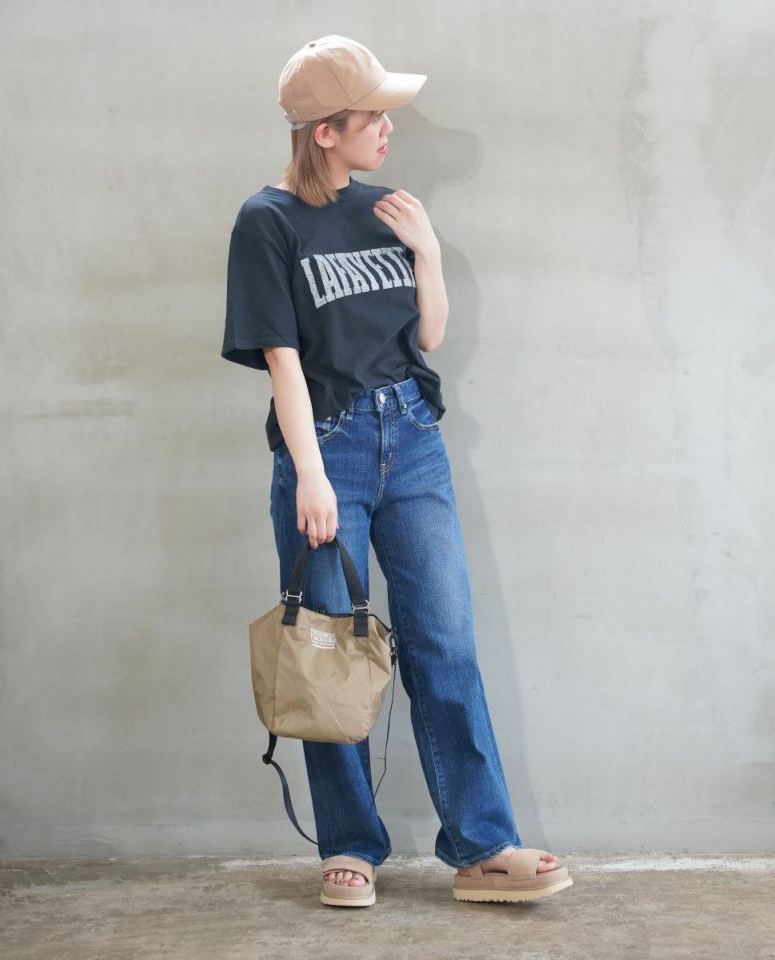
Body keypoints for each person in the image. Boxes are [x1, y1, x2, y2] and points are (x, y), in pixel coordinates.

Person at [221, 35, 573, 907]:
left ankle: (482, 847)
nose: (388, 129)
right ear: (325, 131)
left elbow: (430, 337)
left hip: (412, 438)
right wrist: (309, 474)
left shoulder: (388, 208)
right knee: (328, 653)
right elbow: (283, 363)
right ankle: (348, 843)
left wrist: (428, 252)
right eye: (372, 116)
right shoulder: (266, 221)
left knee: (445, 642)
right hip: (328, 444)